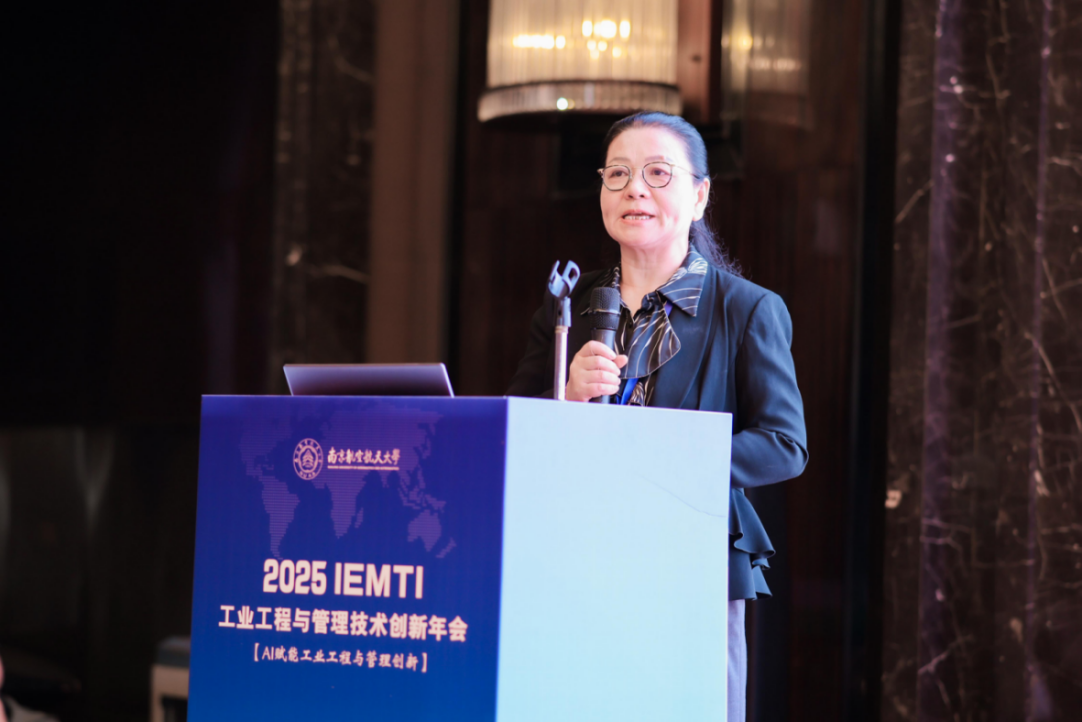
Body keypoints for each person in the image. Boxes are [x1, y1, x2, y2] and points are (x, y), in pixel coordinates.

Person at [507, 111, 808, 720]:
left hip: (689, 563)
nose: (634, 189)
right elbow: (513, 430)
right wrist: (565, 398)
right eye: (617, 174)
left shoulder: (747, 310)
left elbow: (784, 445)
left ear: (699, 196)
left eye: (657, 173)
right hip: (575, 556)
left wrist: (667, 455)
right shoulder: (569, 304)